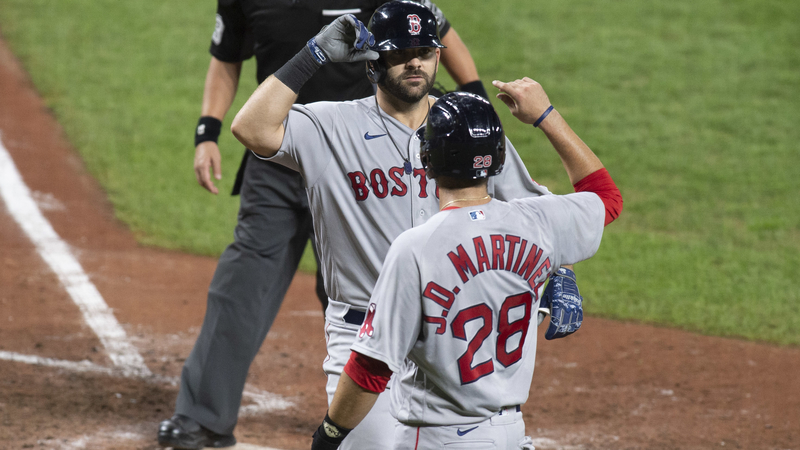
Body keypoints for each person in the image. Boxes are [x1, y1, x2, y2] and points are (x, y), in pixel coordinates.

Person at [230, 2, 587, 448]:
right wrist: (314, 54)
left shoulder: (463, 129)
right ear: (372, 59)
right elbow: (251, 128)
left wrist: (563, 270)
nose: (415, 62)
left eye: (425, 50)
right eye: (400, 52)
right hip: (363, 335)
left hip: (449, 340)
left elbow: (535, 211)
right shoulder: (330, 125)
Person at [158, 0, 489, 448]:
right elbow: (226, 59)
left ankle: (367, 410)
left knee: (370, 286)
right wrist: (207, 131)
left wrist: (474, 109)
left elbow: (438, 39)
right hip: (281, 150)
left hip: (368, 155)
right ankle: (202, 416)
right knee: (244, 280)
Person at [308, 88, 622, 450]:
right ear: (499, 159)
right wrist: (545, 114)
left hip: (439, 439)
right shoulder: (541, 221)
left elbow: (371, 369)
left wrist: (329, 435)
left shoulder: (416, 248)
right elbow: (607, 196)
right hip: (510, 433)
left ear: (426, 161)